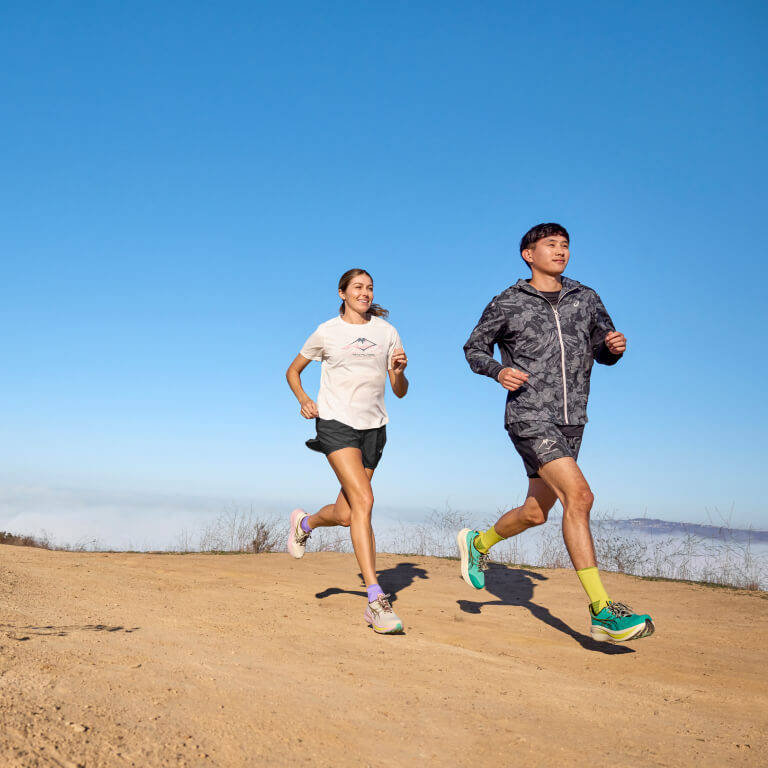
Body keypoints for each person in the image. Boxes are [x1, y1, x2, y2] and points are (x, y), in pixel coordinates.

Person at [458, 223, 655, 643]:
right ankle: (602, 610)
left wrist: (612, 348)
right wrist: (499, 371)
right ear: (529, 254)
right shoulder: (508, 301)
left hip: (573, 419)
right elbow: (474, 348)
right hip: (529, 414)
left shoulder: (586, 298)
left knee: (536, 513)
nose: (560, 251)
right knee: (580, 497)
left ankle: (478, 544)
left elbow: (603, 350)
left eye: (565, 245)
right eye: (551, 245)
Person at [285, 268, 409, 634]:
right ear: (342, 293)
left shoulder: (387, 332)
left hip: (374, 428)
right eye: (358, 287)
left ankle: (304, 523)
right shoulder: (327, 331)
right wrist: (305, 400)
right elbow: (293, 371)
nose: (365, 293)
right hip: (336, 424)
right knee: (365, 502)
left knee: (344, 513)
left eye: (370, 288)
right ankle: (375, 600)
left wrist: (399, 372)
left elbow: (399, 390)